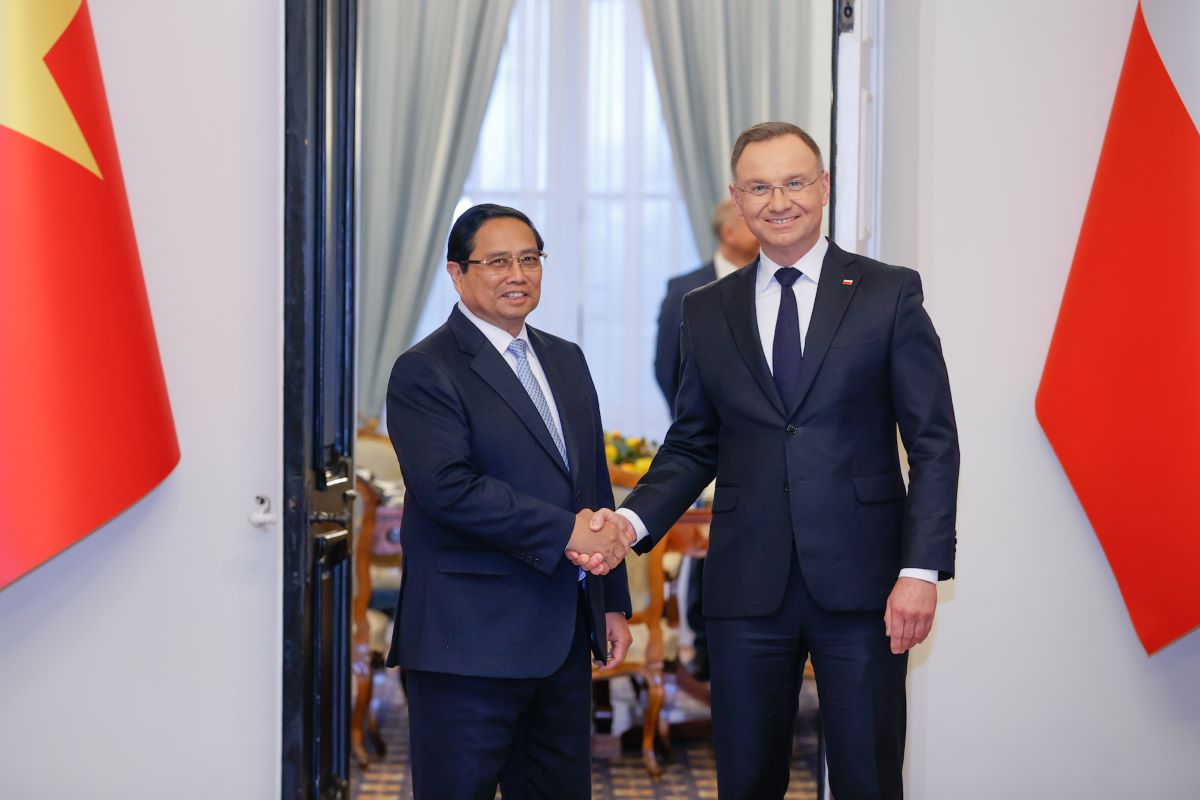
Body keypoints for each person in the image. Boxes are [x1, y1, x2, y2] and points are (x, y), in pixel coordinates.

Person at [586, 122, 959, 799]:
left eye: (793, 182)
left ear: (822, 187)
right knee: (746, 780)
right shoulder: (705, 310)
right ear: (737, 198)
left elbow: (933, 441)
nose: (777, 200)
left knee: (867, 778)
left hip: (867, 587)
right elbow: (693, 441)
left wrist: (920, 570)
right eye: (759, 186)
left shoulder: (887, 292)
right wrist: (627, 524)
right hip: (746, 588)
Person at [385, 203, 634, 799]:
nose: (516, 274)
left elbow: (591, 483)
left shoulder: (565, 359)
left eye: (529, 259)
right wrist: (567, 533)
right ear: (456, 272)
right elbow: (449, 488)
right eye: (497, 261)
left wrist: (610, 601)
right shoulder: (425, 369)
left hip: (563, 641)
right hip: (466, 644)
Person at [652, 199, 758, 680]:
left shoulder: (773, 279)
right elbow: (665, 364)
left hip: (758, 449)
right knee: (699, 538)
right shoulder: (685, 288)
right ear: (728, 230)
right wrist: (695, 420)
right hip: (700, 437)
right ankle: (703, 650)